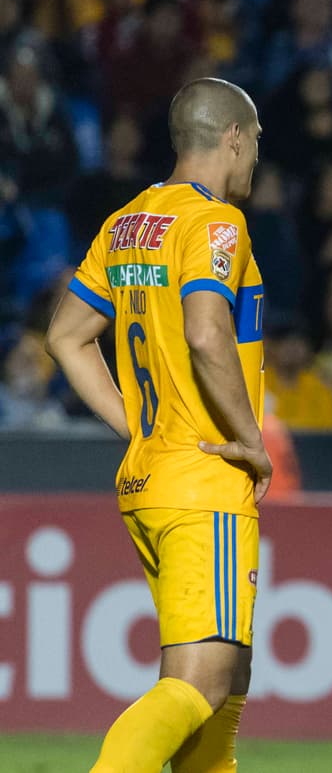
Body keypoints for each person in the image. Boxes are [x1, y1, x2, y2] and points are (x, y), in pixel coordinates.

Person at [45, 77, 270, 773]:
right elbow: (206, 333)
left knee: (222, 685)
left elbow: (66, 336)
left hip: (151, 478)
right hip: (206, 478)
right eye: (256, 140)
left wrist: (139, 427)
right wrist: (253, 442)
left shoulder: (127, 222)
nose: (259, 156)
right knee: (202, 682)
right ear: (232, 136)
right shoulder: (216, 223)